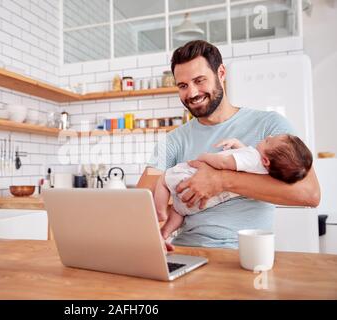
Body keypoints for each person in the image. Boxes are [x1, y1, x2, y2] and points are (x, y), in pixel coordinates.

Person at [137, 40, 320, 250]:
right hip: (186, 251)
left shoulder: (270, 127)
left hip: (246, 254)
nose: (192, 93)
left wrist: (221, 180)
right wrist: (153, 231)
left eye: (199, 80)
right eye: (183, 86)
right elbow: (143, 195)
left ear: (221, 73)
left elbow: (309, 194)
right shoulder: (170, 141)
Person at [154, 134, 313, 240]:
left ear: (266, 160)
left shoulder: (253, 156)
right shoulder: (266, 172)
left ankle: (160, 212)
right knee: (178, 211)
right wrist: (238, 144)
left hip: (189, 178)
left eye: (269, 141)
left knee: (163, 179)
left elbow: (225, 162)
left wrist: (206, 157)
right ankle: (165, 232)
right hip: (201, 202)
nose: (269, 136)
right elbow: (247, 159)